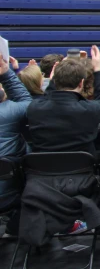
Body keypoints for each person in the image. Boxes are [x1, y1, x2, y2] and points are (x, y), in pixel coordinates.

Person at [26, 46, 100, 154]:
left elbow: (46, 99)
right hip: (82, 168)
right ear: (81, 83)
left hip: (42, 169)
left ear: (54, 81)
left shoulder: (34, 108)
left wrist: (53, 81)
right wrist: (97, 70)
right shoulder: (90, 110)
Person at [0, 54, 33, 238]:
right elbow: (28, 104)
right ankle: (14, 227)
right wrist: (7, 75)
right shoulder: (8, 112)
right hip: (8, 196)